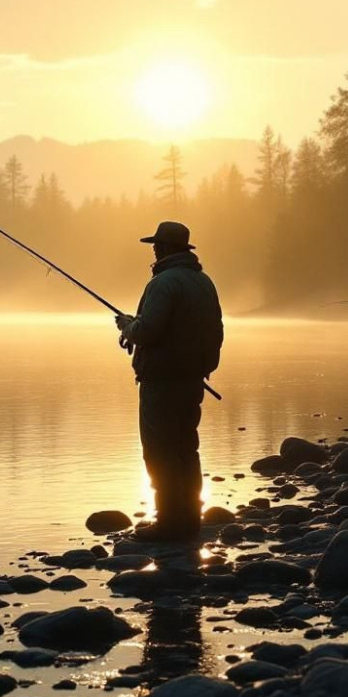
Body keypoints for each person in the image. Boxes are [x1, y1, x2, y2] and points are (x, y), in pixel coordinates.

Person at [115, 221, 223, 543]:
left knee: (159, 452)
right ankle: (190, 519)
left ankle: (168, 522)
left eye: (156, 246)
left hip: (162, 382)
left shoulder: (164, 284)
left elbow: (148, 331)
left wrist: (127, 326)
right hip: (192, 380)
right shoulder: (203, 282)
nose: (153, 251)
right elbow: (215, 329)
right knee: (186, 449)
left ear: (163, 249)